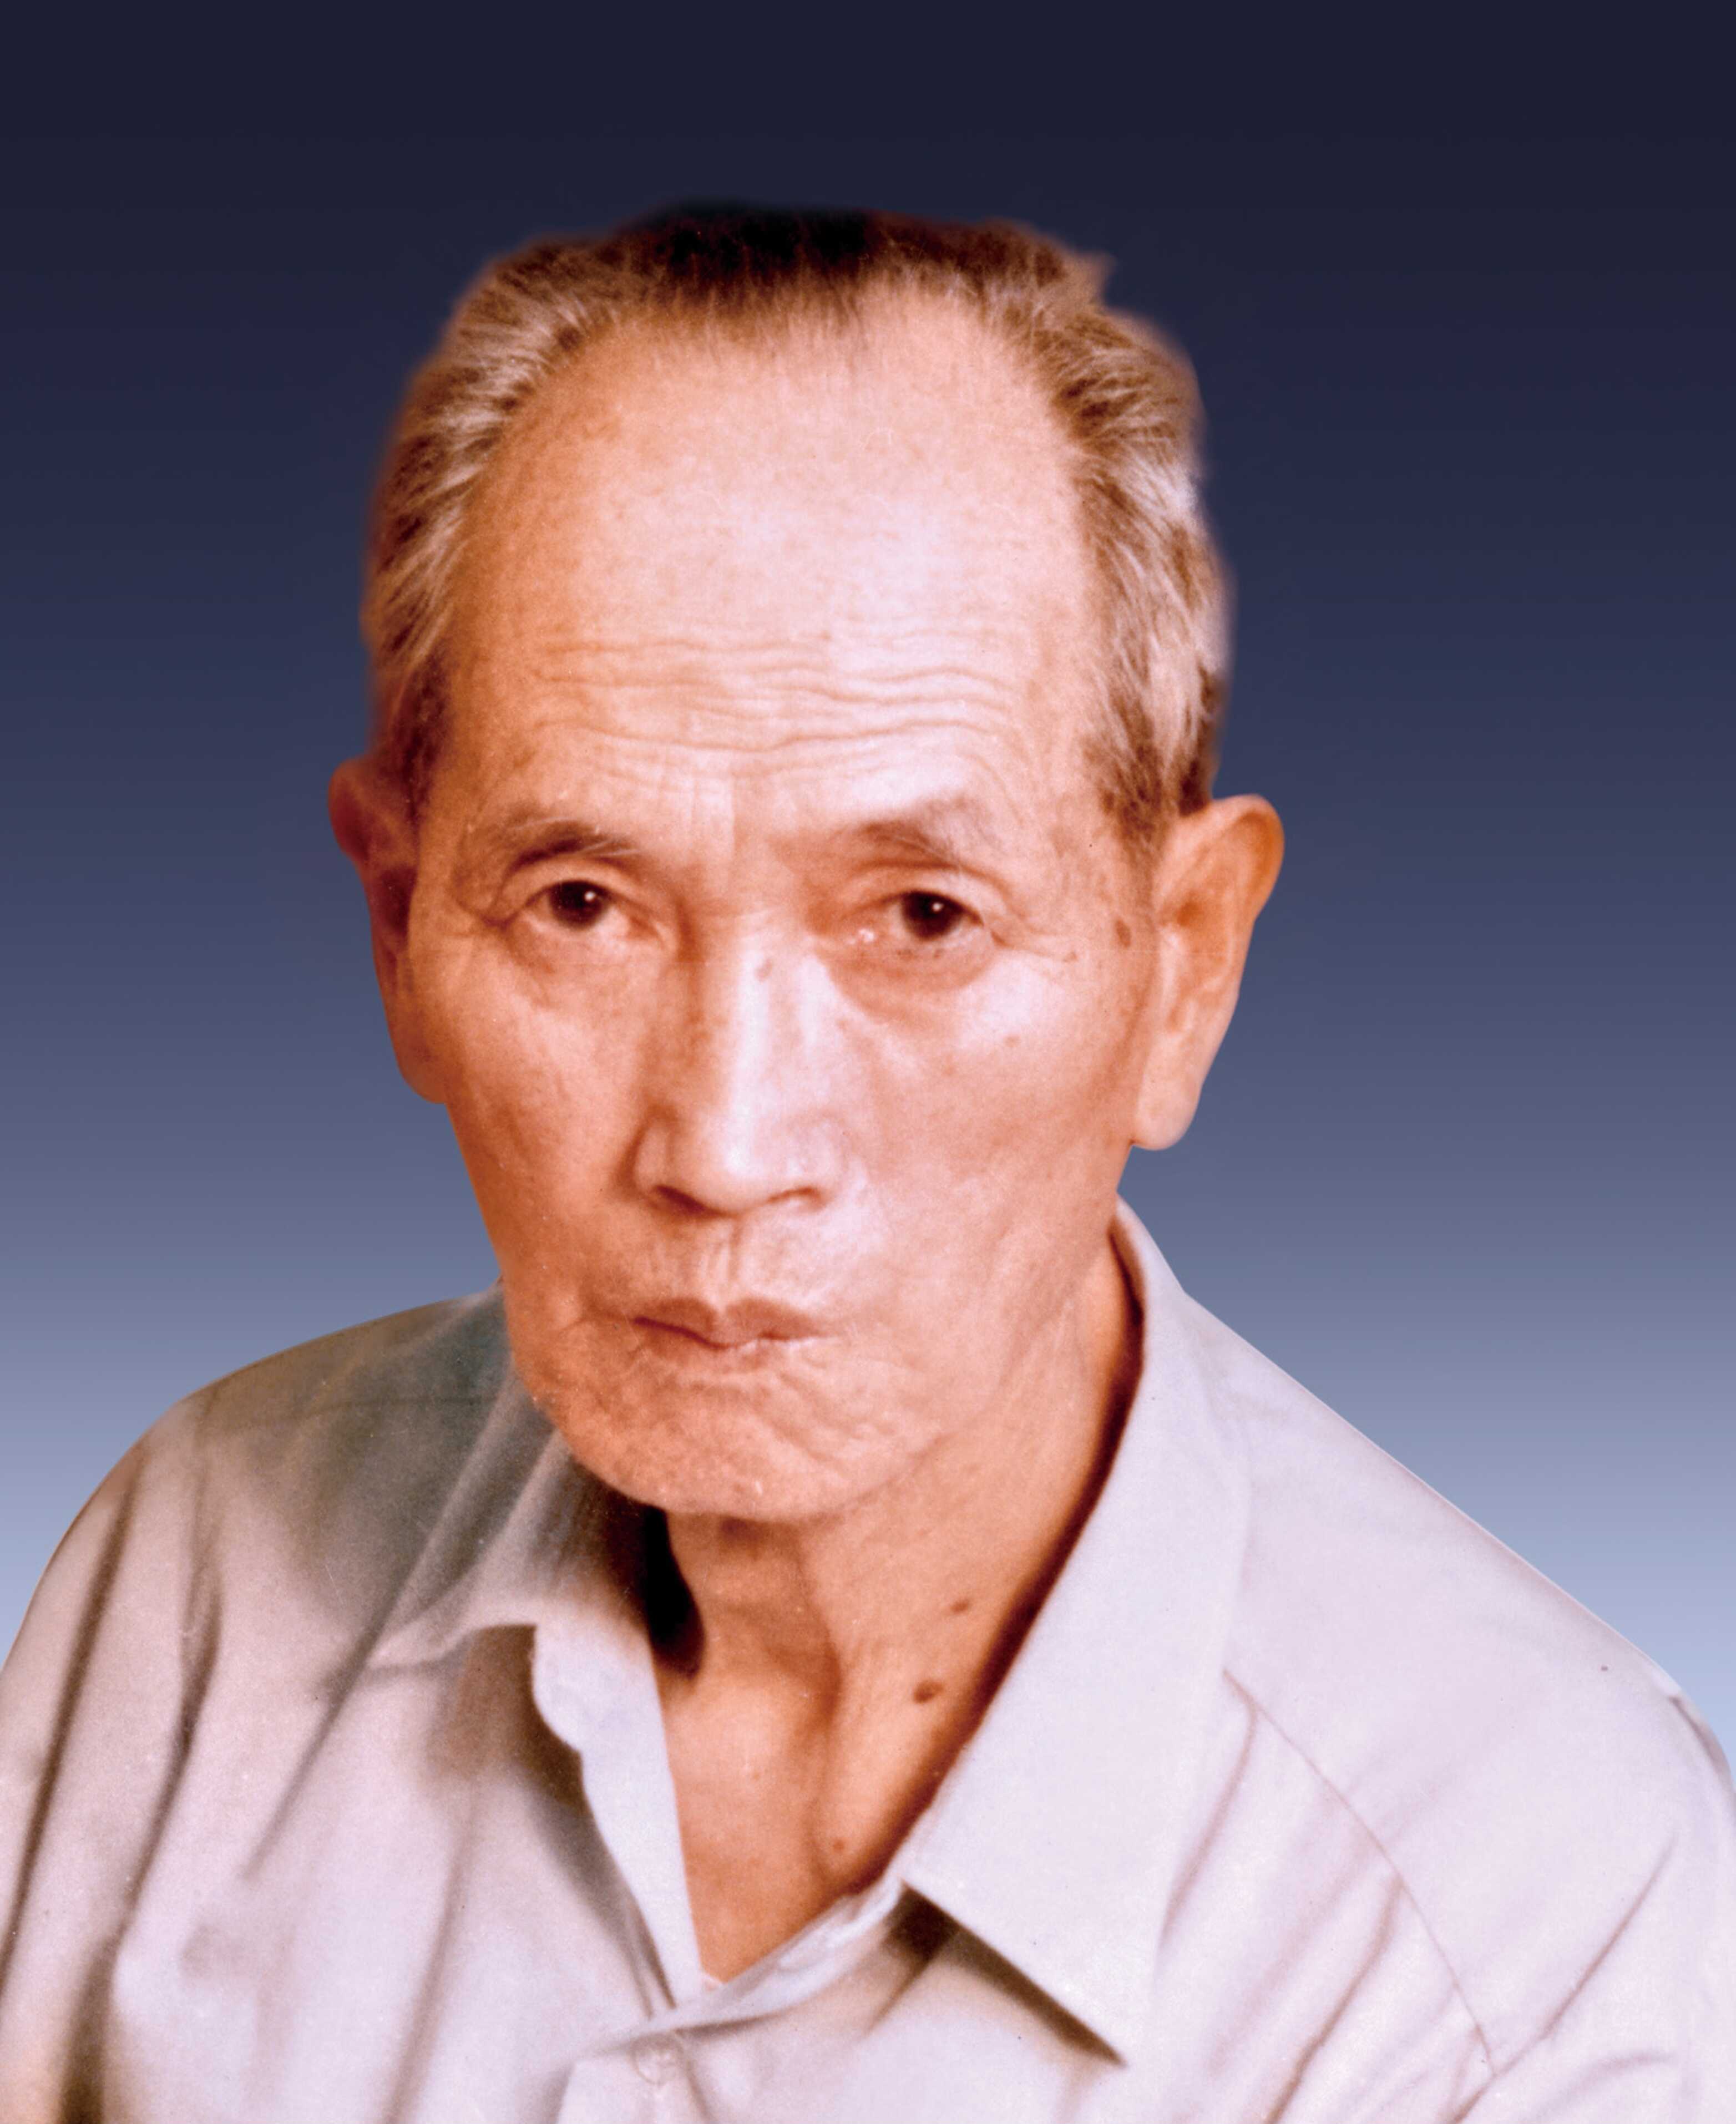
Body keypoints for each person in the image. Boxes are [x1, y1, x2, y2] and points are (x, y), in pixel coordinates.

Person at [1, 203, 1730, 2123]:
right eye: (582, 904)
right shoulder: (196, 1573)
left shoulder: (1527, 1924)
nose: (726, 1147)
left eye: (919, 917)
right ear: (400, 932)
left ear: (1181, 969)